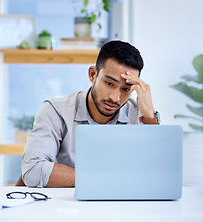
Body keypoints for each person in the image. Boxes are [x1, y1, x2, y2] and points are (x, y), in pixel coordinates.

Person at [21, 40, 160, 188]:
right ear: (93, 75)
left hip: (122, 207)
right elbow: (33, 170)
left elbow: (157, 175)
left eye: (125, 89)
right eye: (109, 83)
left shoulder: (139, 116)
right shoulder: (55, 110)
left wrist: (149, 117)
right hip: (68, 206)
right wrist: (102, 178)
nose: (115, 98)